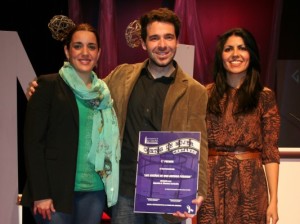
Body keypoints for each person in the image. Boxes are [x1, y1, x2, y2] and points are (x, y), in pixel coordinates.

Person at [28, 8, 209, 224]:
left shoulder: (195, 91)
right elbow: (88, 89)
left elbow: (201, 144)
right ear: (143, 43)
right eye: (154, 38)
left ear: (177, 41)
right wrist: (38, 87)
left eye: (168, 37)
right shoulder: (122, 75)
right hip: (124, 191)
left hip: (167, 194)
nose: (162, 45)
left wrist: (198, 189)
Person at [21, 15, 120, 224]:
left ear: (99, 53)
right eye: (78, 46)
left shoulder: (104, 94)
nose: (85, 53)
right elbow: (33, 145)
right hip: (53, 193)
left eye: (91, 47)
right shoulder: (47, 86)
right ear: (67, 51)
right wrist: (41, 193)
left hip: (93, 190)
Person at [198, 28, 280, 224]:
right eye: (228, 49)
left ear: (251, 54)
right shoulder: (204, 94)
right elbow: (196, 144)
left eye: (242, 48)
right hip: (211, 183)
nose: (235, 54)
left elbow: (270, 152)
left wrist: (274, 199)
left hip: (251, 183)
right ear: (221, 56)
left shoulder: (264, 97)